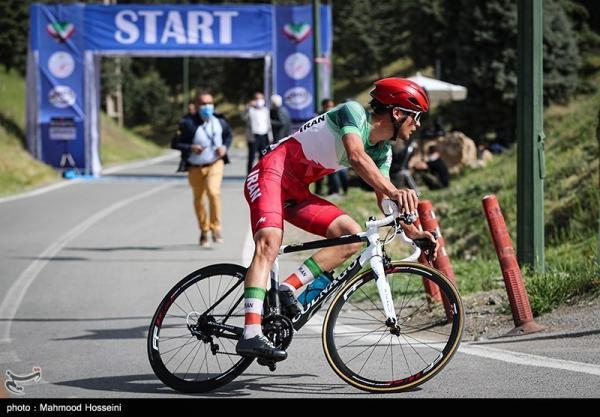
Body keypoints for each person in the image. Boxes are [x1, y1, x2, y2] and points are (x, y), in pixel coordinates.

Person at [236, 78, 440, 360]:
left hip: (296, 192)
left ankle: (287, 288)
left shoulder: (382, 151)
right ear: (397, 113)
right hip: (270, 174)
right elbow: (356, 156)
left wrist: (413, 232)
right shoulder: (352, 112)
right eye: (415, 117)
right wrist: (394, 189)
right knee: (269, 243)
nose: (417, 125)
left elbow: (385, 200)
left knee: (350, 235)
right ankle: (250, 333)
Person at [171, 91, 232, 247]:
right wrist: (191, 147)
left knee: (213, 192)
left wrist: (224, 147)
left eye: (210, 103)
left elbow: (228, 135)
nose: (207, 106)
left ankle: (216, 228)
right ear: (197, 106)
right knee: (199, 200)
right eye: (204, 104)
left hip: (215, 163)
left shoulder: (219, 121)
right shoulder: (187, 123)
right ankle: (204, 230)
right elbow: (175, 143)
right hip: (195, 167)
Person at [314, 98, 349, 197]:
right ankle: (324, 190)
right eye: (328, 105)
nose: (330, 107)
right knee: (323, 170)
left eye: (331, 105)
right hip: (325, 147)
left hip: (333, 147)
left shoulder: (334, 115)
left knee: (334, 171)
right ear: (324, 106)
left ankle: (334, 191)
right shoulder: (321, 117)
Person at [242, 92, 272, 174]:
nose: (259, 101)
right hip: (254, 136)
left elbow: (268, 124)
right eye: (257, 99)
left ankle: (261, 173)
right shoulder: (250, 110)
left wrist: (270, 136)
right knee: (251, 157)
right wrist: (248, 106)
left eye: (261, 98)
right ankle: (249, 174)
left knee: (263, 156)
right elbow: (243, 117)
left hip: (264, 135)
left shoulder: (266, 110)